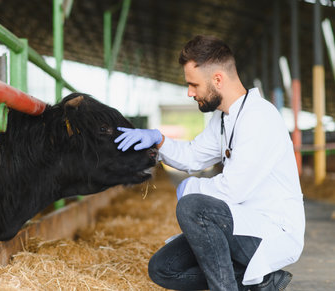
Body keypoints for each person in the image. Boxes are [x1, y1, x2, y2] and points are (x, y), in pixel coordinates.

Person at [114, 35, 305, 291]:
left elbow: (232, 190)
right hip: (239, 222)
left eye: (193, 85)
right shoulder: (224, 118)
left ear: (217, 79)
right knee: (163, 268)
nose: (190, 92)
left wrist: (189, 190)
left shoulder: (259, 118)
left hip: (270, 230)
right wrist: (158, 141)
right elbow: (194, 155)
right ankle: (262, 283)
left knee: (193, 207)